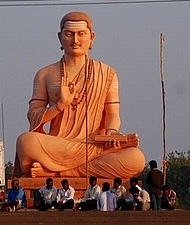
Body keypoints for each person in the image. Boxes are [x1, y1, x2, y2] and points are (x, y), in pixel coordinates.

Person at [14, 11, 145, 178]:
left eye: (81, 34)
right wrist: (59, 105)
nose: (75, 40)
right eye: (69, 34)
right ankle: (66, 170)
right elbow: (33, 117)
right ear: (60, 37)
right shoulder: (45, 74)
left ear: (92, 37)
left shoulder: (107, 73)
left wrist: (112, 132)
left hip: (94, 145)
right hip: (59, 144)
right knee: (26, 141)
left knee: (136, 159)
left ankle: (60, 172)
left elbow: (113, 114)